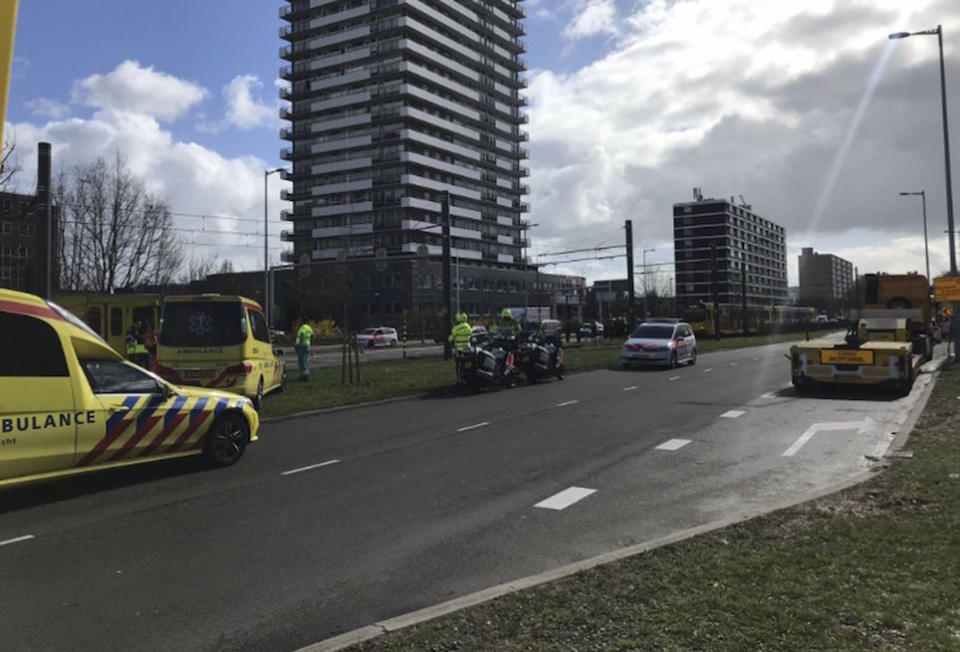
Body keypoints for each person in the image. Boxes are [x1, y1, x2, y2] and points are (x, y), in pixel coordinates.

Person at [295, 317, 314, 382]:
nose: (299, 322)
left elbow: (302, 335)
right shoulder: (309, 328)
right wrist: (310, 344)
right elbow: (312, 336)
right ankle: (306, 374)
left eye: (300, 321)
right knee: (306, 360)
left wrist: (299, 345)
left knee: (301, 361)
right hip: (307, 345)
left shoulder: (302, 327)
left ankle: (303, 376)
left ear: (302, 321)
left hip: (302, 346)